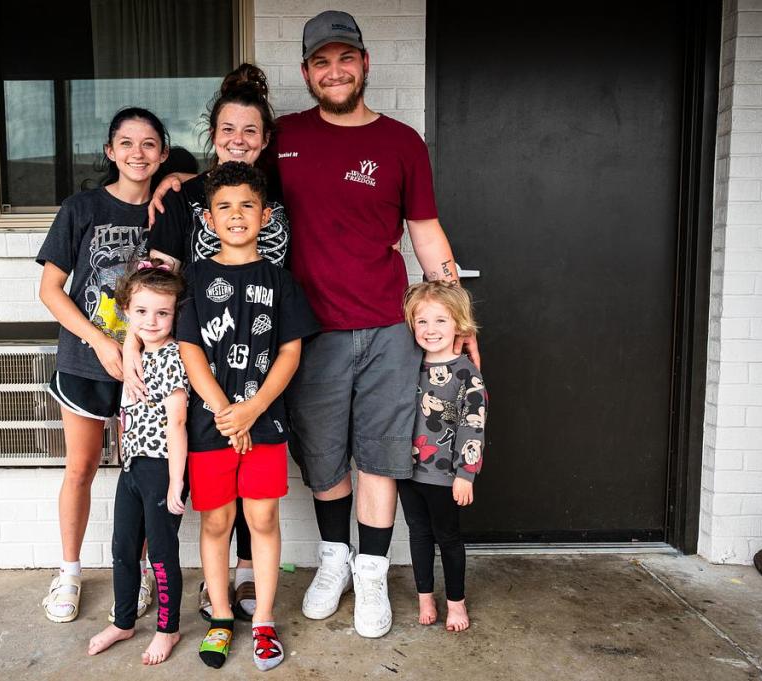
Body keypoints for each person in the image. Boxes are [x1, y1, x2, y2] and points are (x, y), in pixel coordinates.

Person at [273, 10, 481, 640]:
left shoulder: (401, 142)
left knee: (383, 457)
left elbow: (423, 230)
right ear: (307, 72)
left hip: (390, 328)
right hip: (311, 332)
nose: (334, 72)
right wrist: (174, 176)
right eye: (321, 62)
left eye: (345, 59)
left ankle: (369, 573)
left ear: (364, 65)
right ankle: (333, 560)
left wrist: (459, 313)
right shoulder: (282, 138)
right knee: (327, 458)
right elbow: (225, 189)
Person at [132, 63, 289, 621]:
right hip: (198, 369)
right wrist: (135, 348)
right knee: (193, 490)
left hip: (264, 363)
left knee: (259, 501)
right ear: (213, 135)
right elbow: (156, 281)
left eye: (250, 131)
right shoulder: (182, 198)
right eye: (228, 130)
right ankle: (177, 583)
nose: (238, 141)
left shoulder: (278, 195)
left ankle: (247, 584)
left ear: (266, 140)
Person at [176, 162, 319, 670]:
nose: (236, 215)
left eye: (247, 205)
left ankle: (262, 623)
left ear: (266, 213)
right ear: (209, 219)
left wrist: (253, 409)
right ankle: (219, 618)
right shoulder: (192, 278)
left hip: (266, 422)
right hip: (211, 425)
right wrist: (224, 412)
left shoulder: (281, 281)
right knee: (216, 520)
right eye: (224, 207)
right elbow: (190, 349)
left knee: (261, 516)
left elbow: (290, 353)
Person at [36, 107, 170, 623]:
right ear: (111, 151)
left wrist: (135, 350)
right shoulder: (81, 207)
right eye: (127, 143)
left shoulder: (166, 212)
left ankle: (131, 576)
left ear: (162, 153)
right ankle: (68, 574)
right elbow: (50, 290)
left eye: (150, 144)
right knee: (82, 467)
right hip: (87, 362)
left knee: (139, 473)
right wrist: (100, 341)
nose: (138, 153)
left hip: (147, 365)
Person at [87, 260, 189, 664]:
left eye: (163, 312)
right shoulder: (135, 355)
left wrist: (176, 483)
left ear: (175, 313)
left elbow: (177, 422)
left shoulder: (173, 356)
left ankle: (169, 629)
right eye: (142, 311)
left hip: (162, 466)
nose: (153, 320)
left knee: (161, 552)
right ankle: (124, 620)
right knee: (123, 547)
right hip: (131, 467)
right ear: (127, 311)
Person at [398, 281, 487, 632]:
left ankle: (456, 602)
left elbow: (473, 425)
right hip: (406, 470)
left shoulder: (467, 373)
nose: (430, 330)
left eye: (441, 321)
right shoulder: (409, 365)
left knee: (447, 538)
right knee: (418, 533)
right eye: (422, 322)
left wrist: (466, 473)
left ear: (459, 327)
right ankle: (424, 597)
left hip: (445, 475)